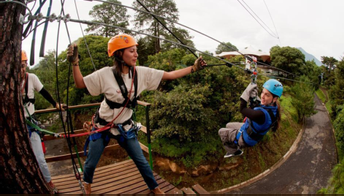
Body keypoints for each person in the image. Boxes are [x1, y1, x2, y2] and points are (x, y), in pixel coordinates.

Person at [67, 33, 207, 194]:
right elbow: (80, 83)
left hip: (125, 127)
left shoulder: (141, 73)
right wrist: (75, 64)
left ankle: (154, 188)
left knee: (141, 160)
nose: (136, 54)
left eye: (136, 51)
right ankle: (87, 185)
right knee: (91, 162)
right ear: (119, 54)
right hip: (103, 125)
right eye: (132, 51)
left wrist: (193, 68)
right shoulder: (105, 74)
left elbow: (169, 75)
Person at [20, 51, 63, 193]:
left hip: (30, 123)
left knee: (39, 158)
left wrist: (55, 104)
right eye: (18, 66)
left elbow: (43, 92)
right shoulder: (8, 81)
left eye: (23, 65)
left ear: (26, 65)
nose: (21, 69)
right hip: (17, 125)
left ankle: (49, 182)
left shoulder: (31, 78)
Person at [218, 79, 283, 158]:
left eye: (267, 95)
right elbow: (258, 105)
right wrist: (254, 97)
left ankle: (234, 150)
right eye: (262, 92)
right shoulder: (274, 108)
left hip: (247, 138)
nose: (262, 96)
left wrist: (246, 92)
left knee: (221, 131)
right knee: (228, 125)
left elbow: (242, 109)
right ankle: (235, 143)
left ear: (274, 99)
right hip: (250, 129)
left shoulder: (261, 115)